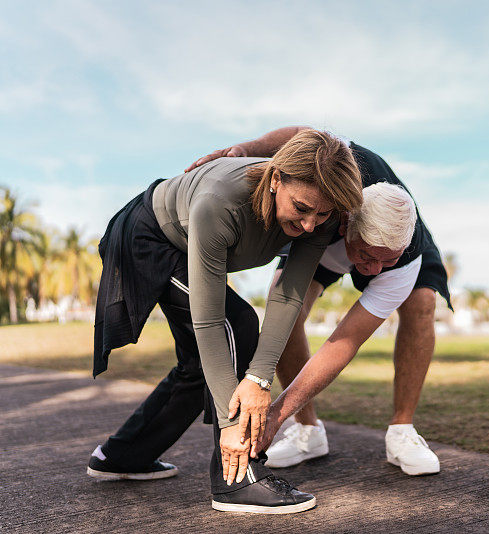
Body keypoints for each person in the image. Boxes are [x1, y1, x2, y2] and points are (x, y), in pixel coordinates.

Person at [89, 129, 362, 514]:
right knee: (237, 324)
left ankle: (122, 456)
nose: (310, 226)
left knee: (203, 364)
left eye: (323, 214)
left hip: (179, 243)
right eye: (301, 209)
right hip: (149, 236)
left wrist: (260, 378)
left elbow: (287, 296)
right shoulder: (220, 203)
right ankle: (236, 480)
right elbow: (208, 319)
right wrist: (232, 422)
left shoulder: (321, 214)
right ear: (275, 179)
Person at [184, 126, 452, 476]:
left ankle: (402, 430)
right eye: (367, 257)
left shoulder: (401, 256)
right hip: (331, 242)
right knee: (284, 312)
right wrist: (244, 149)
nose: (372, 271)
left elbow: (344, 342)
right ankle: (308, 431)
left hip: (395, 238)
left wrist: (274, 414)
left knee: (421, 305)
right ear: (345, 224)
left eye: (383, 262)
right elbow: (304, 135)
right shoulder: (332, 193)